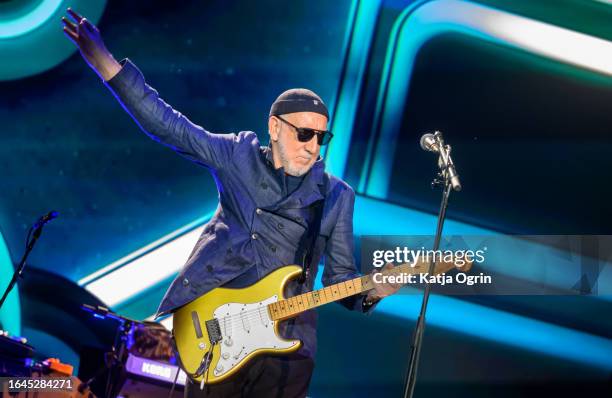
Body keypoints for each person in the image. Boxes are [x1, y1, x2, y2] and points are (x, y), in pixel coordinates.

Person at [62, 8, 402, 398]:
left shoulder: (337, 195)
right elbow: (169, 125)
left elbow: (341, 278)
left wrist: (375, 290)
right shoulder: (235, 155)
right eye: (304, 134)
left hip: (286, 351)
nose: (312, 147)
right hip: (216, 334)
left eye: (320, 138)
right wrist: (105, 64)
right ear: (275, 127)